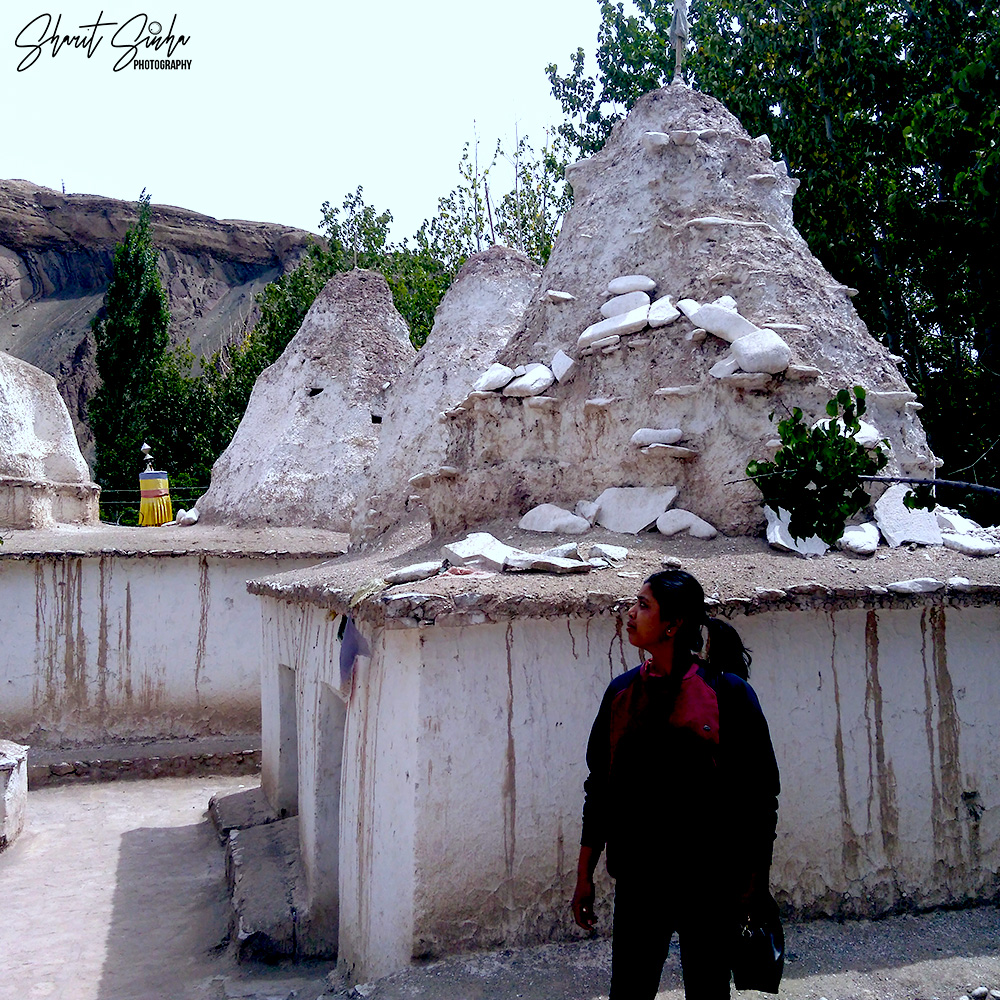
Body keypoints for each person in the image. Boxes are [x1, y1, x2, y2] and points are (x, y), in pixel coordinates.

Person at [571, 569, 779, 999]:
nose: (630, 613)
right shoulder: (621, 694)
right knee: (629, 989)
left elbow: (760, 796)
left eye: (644, 605)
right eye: (635, 603)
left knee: (707, 990)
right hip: (639, 881)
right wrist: (584, 875)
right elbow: (601, 790)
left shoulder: (727, 694)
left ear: (673, 624)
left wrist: (755, 882)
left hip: (708, 882)